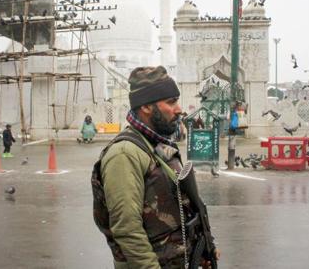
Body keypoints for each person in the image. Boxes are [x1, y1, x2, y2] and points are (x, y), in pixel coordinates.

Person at [92, 66, 220, 269]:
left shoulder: (159, 145)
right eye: (171, 102)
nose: (179, 109)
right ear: (146, 107)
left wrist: (203, 247)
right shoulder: (125, 154)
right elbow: (128, 229)